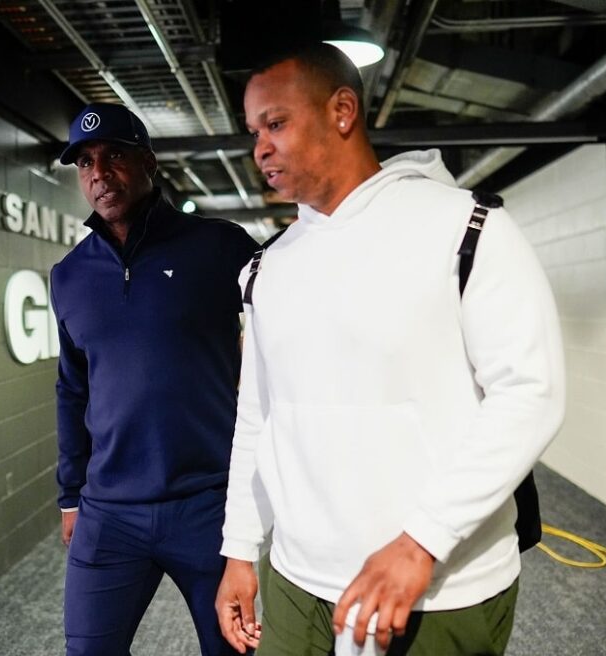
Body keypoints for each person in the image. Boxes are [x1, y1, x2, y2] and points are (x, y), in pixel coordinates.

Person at [215, 44, 565, 656]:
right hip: (298, 579)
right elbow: (258, 419)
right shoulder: (269, 267)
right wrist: (241, 549)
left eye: (276, 124)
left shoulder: (467, 229)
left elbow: (530, 394)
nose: (259, 148)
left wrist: (422, 540)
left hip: (438, 585)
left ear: (342, 111)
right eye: (253, 132)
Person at [51, 101, 258, 655]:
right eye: (86, 162)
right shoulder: (69, 276)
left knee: (238, 650)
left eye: (115, 155)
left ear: (149, 161)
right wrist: (71, 495)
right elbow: (72, 390)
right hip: (109, 511)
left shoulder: (221, 246)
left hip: (209, 503)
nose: (99, 172)